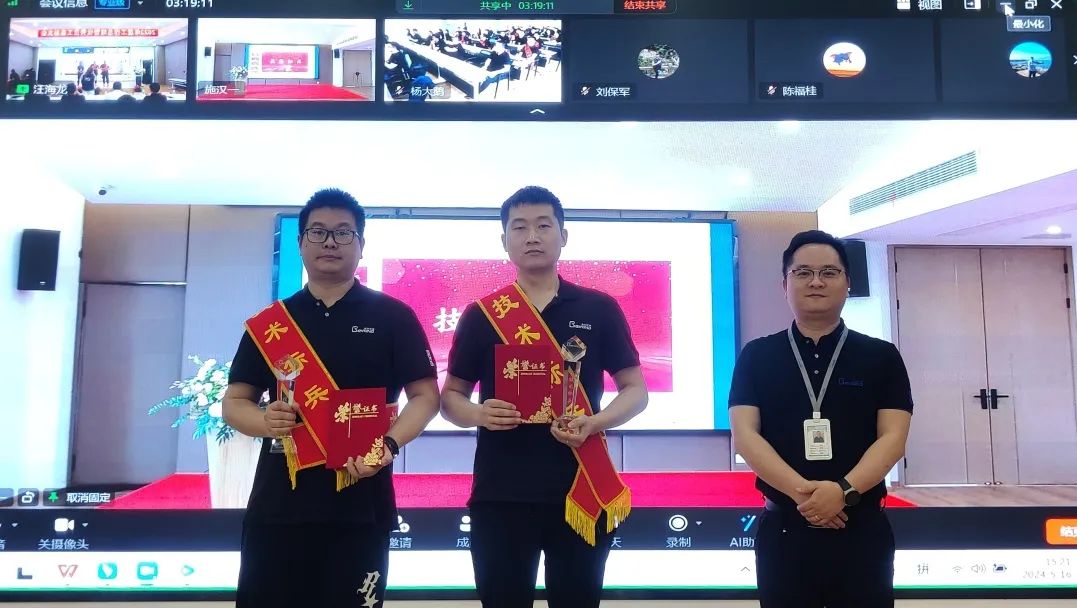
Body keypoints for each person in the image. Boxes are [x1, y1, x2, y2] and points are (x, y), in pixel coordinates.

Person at [222, 188, 440, 607]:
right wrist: (264, 420)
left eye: (343, 233)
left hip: (362, 504)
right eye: (318, 232)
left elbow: (426, 396)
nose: (330, 242)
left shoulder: (393, 317)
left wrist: (389, 444)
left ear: (361, 244)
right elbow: (235, 402)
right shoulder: (271, 323)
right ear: (301, 242)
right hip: (279, 507)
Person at [442, 186, 649, 608]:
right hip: (501, 495)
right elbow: (451, 399)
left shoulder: (598, 309)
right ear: (504, 241)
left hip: (580, 489)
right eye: (519, 227)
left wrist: (595, 422)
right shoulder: (482, 315)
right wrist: (480, 414)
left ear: (563, 235)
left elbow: (636, 391)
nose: (532, 236)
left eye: (543, 225)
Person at [728, 230, 913, 608]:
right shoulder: (757, 355)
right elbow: (746, 436)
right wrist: (807, 497)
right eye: (803, 272)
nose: (816, 281)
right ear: (785, 285)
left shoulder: (881, 356)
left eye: (829, 272)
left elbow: (893, 438)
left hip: (861, 529)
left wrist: (842, 492)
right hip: (784, 530)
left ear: (848, 283)